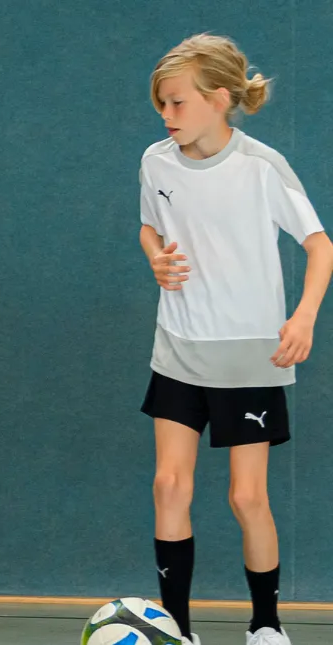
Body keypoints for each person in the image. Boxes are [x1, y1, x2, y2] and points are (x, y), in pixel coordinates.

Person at [136, 33, 328, 645]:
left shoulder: (262, 167)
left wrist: (303, 318)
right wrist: (156, 259)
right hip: (179, 348)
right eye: (161, 106)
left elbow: (320, 247)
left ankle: (266, 626)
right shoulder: (155, 162)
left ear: (219, 99)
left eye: (177, 104)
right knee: (169, 484)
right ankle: (177, 630)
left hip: (249, 357)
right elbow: (150, 229)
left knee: (247, 499)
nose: (167, 117)